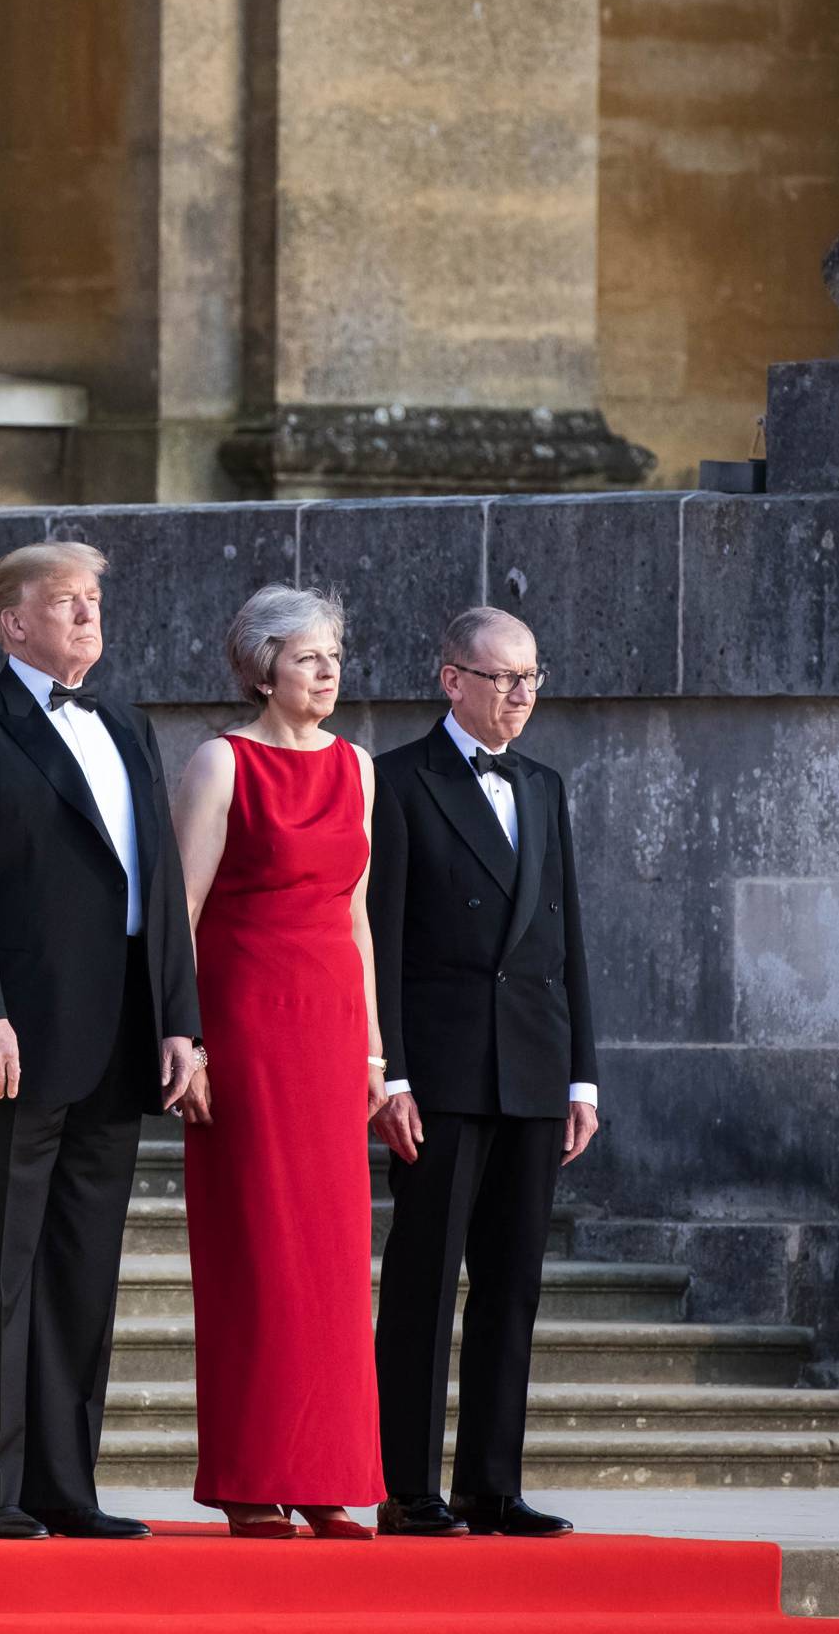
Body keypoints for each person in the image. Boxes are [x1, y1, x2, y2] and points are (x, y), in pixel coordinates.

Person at [0, 541, 203, 1541]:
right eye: (64, 600)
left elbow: (155, 884)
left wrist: (180, 1019)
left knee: (84, 1265)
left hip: (121, 1031)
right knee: (0, 1262)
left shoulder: (126, 721)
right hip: (16, 1033)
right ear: (11, 620)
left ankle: (65, 1485)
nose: (86, 615)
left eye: (94, 599)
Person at [368, 606, 599, 1539]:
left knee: (514, 1283)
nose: (522, 694)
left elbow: (567, 934)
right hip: (444, 1069)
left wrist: (584, 1075)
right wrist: (391, 1074)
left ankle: (490, 1483)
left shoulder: (543, 785)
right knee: (425, 1282)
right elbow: (379, 943)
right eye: (504, 677)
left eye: (533, 676)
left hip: (536, 1067)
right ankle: (407, 1486)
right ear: (451, 679)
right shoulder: (397, 783)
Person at [169, 587, 386, 1539]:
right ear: (262, 666)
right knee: (260, 1253)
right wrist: (188, 1040)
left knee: (334, 1265)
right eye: (309, 657)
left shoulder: (359, 767)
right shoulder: (222, 761)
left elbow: (357, 915)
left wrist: (376, 1049)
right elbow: (179, 915)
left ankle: (328, 1477)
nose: (328, 672)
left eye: (335, 655)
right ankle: (254, 1476)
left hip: (333, 1029)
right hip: (249, 1026)